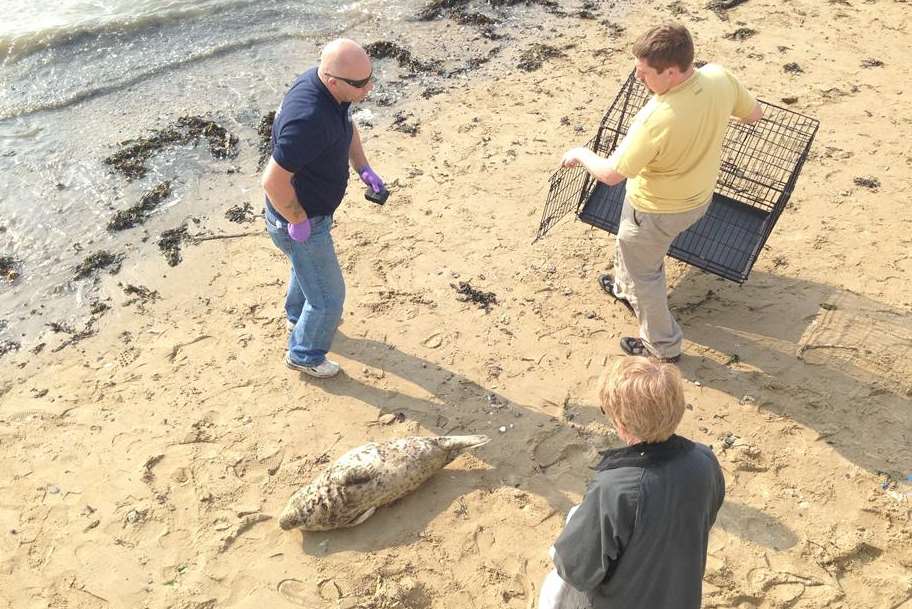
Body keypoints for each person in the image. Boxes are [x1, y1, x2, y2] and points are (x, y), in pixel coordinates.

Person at [561, 23, 763, 363]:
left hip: (656, 209)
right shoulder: (718, 77)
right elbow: (754, 114)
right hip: (698, 198)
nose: (640, 80)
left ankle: (663, 346)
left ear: (670, 72)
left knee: (646, 275)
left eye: (644, 75)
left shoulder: (656, 118)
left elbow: (611, 174)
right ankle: (624, 289)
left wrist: (581, 153)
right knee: (630, 248)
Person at [542, 356, 725, 609]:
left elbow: (575, 569)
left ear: (622, 423)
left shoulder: (615, 489)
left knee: (554, 589)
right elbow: (707, 516)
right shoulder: (705, 460)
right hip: (681, 595)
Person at [261, 38, 385, 378]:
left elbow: (346, 126)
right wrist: (297, 219)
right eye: (361, 84)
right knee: (329, 298)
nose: (369, 87)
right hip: (299, 219)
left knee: (307, 269)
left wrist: (363, 168)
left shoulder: (329, 91)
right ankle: (305, 355)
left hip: (311, 213)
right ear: (333, 80)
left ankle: (296, 315)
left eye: (371, 77)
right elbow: (272, 181)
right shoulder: (308, 119)